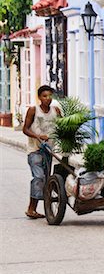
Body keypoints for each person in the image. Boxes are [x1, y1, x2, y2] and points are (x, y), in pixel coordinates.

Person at [23, 85, 61, 219]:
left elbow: (61, 126)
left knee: (45, 180)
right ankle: (31, 208)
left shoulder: (55, 110)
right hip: (35, 150)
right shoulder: (33, 110)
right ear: (39, 97)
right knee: (39, 178)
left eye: (50, 96)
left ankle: (38, 209)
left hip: (49, 151)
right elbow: (25, 129)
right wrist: (39, 137)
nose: (48, 98)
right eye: (44, 96)